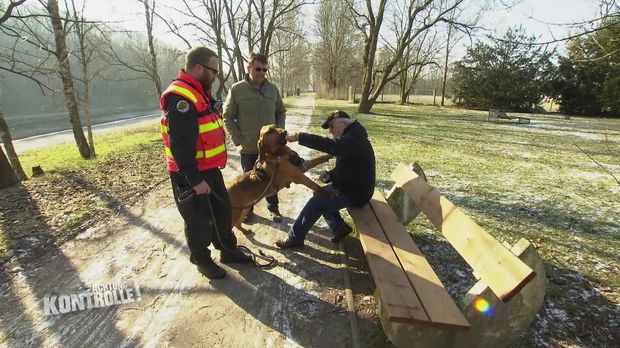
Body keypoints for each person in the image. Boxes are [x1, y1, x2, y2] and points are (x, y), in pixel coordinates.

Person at [160, 46, 251, 279]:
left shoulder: (199, 91)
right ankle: (202, 260)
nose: (215, 76)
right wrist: (194, 179)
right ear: (199, 68)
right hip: (191, 174)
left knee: (222, 212)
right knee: (198, 221)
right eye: (214, 71)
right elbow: (180, 143)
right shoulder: (180, 97)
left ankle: (227, 250)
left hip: (209, 169)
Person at [275, 110, 376, 249]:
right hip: (353, 186)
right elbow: (351, 167)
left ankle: (295, 237)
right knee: (320, 193)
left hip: (357, 193)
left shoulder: (354, 138)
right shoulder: (353, 137)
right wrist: (331, 175)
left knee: (317, 202)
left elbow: (332, 146)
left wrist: (300, 136)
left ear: (342, 122)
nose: (330, 131)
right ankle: (339, 227)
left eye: (332, 126)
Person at [223, 52, 286, 223]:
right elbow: (227, 116)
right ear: (249, 67)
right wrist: (237, 139)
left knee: (272, 180)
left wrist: (279, 134)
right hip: (249, 146)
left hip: (272, 148)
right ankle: (248, 210)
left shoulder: (272, 89)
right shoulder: (237, 89)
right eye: (258, 68)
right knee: (249, 181)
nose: (261, 73)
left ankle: (273, 209)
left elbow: (281, 111)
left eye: (265, 70)